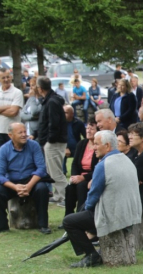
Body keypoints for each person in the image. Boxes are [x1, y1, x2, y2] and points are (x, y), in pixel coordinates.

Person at [63, 130, 142, 268]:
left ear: (107, 146)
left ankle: (91, 255)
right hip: (130, 215)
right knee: (81, 215)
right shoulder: (126, 160)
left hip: (114, 216)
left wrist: (86, 210)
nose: (93, 147)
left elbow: (93, 195)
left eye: (96, 144)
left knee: (69, 221)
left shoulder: (103, 165)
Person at [0, 123, 51, 234]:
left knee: (42, 189)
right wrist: (15, 187)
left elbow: (41, 169)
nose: (24, 135)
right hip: (12, 183)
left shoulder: (34, 145)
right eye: (20, 132)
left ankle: (43, 225)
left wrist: (29, 186)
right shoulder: (4, 149)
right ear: (10, 135)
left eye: (25, 132)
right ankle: (2, 225)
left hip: (31, 181)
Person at [36, 76, 68, 204]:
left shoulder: (52, 102)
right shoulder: (49, 100)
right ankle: (58, 195)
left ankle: (66, 196)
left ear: (40, 88)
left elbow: (53, 124)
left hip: (54, 142)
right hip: (51, 140)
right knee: (51, 170)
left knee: (56, 171)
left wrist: (49, 140)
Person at [63, 120, 99, 217]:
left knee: (81, 186)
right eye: (87, 128)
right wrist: (75, 176)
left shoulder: (99, 146)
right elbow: (74, 163)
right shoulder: (82, 143)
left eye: (91, 129)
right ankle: (68, 216)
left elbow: (98, 168)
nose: (88, 131)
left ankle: (80, 216)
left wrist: (84, 178)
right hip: (79, 176)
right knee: (70, 188)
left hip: (91, 177)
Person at [0, 68, 24, 153]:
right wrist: (7, 106)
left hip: (13, 132)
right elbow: (10, 110)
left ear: (11, 77)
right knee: (1, 157)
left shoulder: (17, 92)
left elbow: (13, 112)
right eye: (3, 78)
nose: (6, 80)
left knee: (14, 156)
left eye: (8, 77)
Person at [62, 105, 86, 176]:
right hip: (64, 147)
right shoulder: (60, 123)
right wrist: (65, 148)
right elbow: (59, 137)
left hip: (77, 147)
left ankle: (77, 172)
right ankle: (63, 172)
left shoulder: (78, 123)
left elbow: (85, 135)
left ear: (72, 114)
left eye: (66, 113)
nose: (63, 114)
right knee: (61, 153)